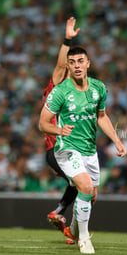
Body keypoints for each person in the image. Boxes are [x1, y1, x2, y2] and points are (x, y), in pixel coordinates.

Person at [39, 46, 127, 254]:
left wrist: (116, 140)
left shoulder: (99, 88)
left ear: (88, 63)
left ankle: (73, 230)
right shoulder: (60, 91)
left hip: (89, 151)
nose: (77, 66)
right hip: (66, 149)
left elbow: (102, 117)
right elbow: (42, 124)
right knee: (85, 187)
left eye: (81, 61)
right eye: (73, 62)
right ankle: (84, 240)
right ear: (68, 66)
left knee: (91, 195)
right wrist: (60, 130)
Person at [43, 17, 80, 238]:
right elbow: (60, 65)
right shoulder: (56, 86)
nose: (72, 70)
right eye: (70, 66)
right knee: (84, 186)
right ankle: (73, 229)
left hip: (59, 150)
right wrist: (67, 39)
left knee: (81, 186)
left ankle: (61, 217)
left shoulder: (69, 95)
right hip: (58, 149)